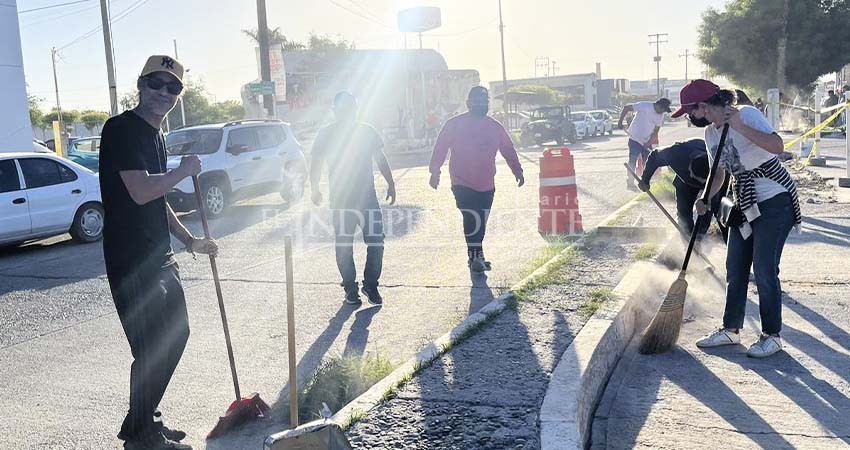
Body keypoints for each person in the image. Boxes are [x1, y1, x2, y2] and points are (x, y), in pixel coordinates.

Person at [100, 55, 218, 450]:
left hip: (161, 256)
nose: (163, 93)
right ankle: (141, 435)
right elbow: (139, 191)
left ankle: (141, 421)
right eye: (156, 83)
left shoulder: (157, 135)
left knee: (176, 335)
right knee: (150, 348)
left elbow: (158, 199)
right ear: (141, 85)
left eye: (172, 87)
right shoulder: (121, 130)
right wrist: (184, 171)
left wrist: (189, 241)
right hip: (132, 262)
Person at [671, 79, 801, 359]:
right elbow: (719, 173)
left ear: (703, 106)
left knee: (764, 267)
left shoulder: (746, 115)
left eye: (690, 112)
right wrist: (705, 197)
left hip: (775, 198)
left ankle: (772, 335)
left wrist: (740, 126)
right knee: (736, 266)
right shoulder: (710, 134)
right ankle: (731, 329)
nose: (690, 118)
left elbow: (778, 146)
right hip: (744, 200)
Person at [311, 91, 396, 306]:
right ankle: (350, 288)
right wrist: (314, 188)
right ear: (335, 111)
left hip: (367, 198)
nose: (347, 112)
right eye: (343, 109)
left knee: (377, 242)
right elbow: (317, 162)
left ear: (356, 109)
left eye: (351, 108)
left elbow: (380, 158)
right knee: (344, 244)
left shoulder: (367, 131)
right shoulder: (326, 134)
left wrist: (391, 182)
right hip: (341, 200)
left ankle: (370, 285)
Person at [429, 86, 524, 272]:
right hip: (461, 181)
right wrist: (435, 171)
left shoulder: (495, 126)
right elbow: (440, 147)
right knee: (471, 218)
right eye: (477, 101)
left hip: (487, 183)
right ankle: (475, 258)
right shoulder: (454, 124)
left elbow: (508, 150)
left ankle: (477, 256)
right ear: (468, 103)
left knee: (480, 221)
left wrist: (517, 171)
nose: (481, 104)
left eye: (484, 101)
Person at [638, 138, 729, 242]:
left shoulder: (720, 167)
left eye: (703, 182)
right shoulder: (675, 154)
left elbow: (707, 211)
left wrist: (699, 237)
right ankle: (687, 242)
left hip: (713, 184)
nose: (699, 185)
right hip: (685, 183)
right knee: (684, 214)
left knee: (716, 210)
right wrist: (645, 179)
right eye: (697, 180)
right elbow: (654, 156)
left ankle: (702, 242)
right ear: (690, 169)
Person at [617, 98, 672, 190]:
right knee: (633, 159)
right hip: (634, 138)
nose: (663, 112)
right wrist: (620, 121)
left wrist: (649, 142)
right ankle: (630, 180)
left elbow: (655, 131)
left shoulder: (660, 116)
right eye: (663, 109)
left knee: (648, 161)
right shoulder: (644, 106)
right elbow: (626, 108)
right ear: (659, 105)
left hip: (646, 141)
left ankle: (645, 181)